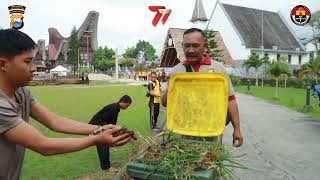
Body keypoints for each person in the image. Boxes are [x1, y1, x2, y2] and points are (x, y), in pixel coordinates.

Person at [0, 29, 132, 180]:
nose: (34, 68)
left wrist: (99, 129)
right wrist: (96, 138)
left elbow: (55, 122)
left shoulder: (22, 92)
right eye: (27, 61)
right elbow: (43, 145)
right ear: (3, 64)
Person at [161, 28, 243, 147]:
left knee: (209, 162)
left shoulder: (218, 70)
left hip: (210, 132)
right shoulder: (176, 71)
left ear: (205, 45)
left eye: (195, 45)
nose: (191, 50)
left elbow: (230, 100)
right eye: (187, 46)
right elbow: (165, 103)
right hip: (182, 131)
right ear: (182, 46)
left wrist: (237, 129)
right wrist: (170, 87)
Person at [89, 95, 132, 172]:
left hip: (101, 126)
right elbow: (104, 120)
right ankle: (106, 167)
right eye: (127, 105)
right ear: (123, 102)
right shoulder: (113, 108)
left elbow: (110, 121)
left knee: (105, 143)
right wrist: (106, 131)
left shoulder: (116, 108)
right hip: (96, 126)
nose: (127, 107)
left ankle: (107, 164)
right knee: (103, 145)